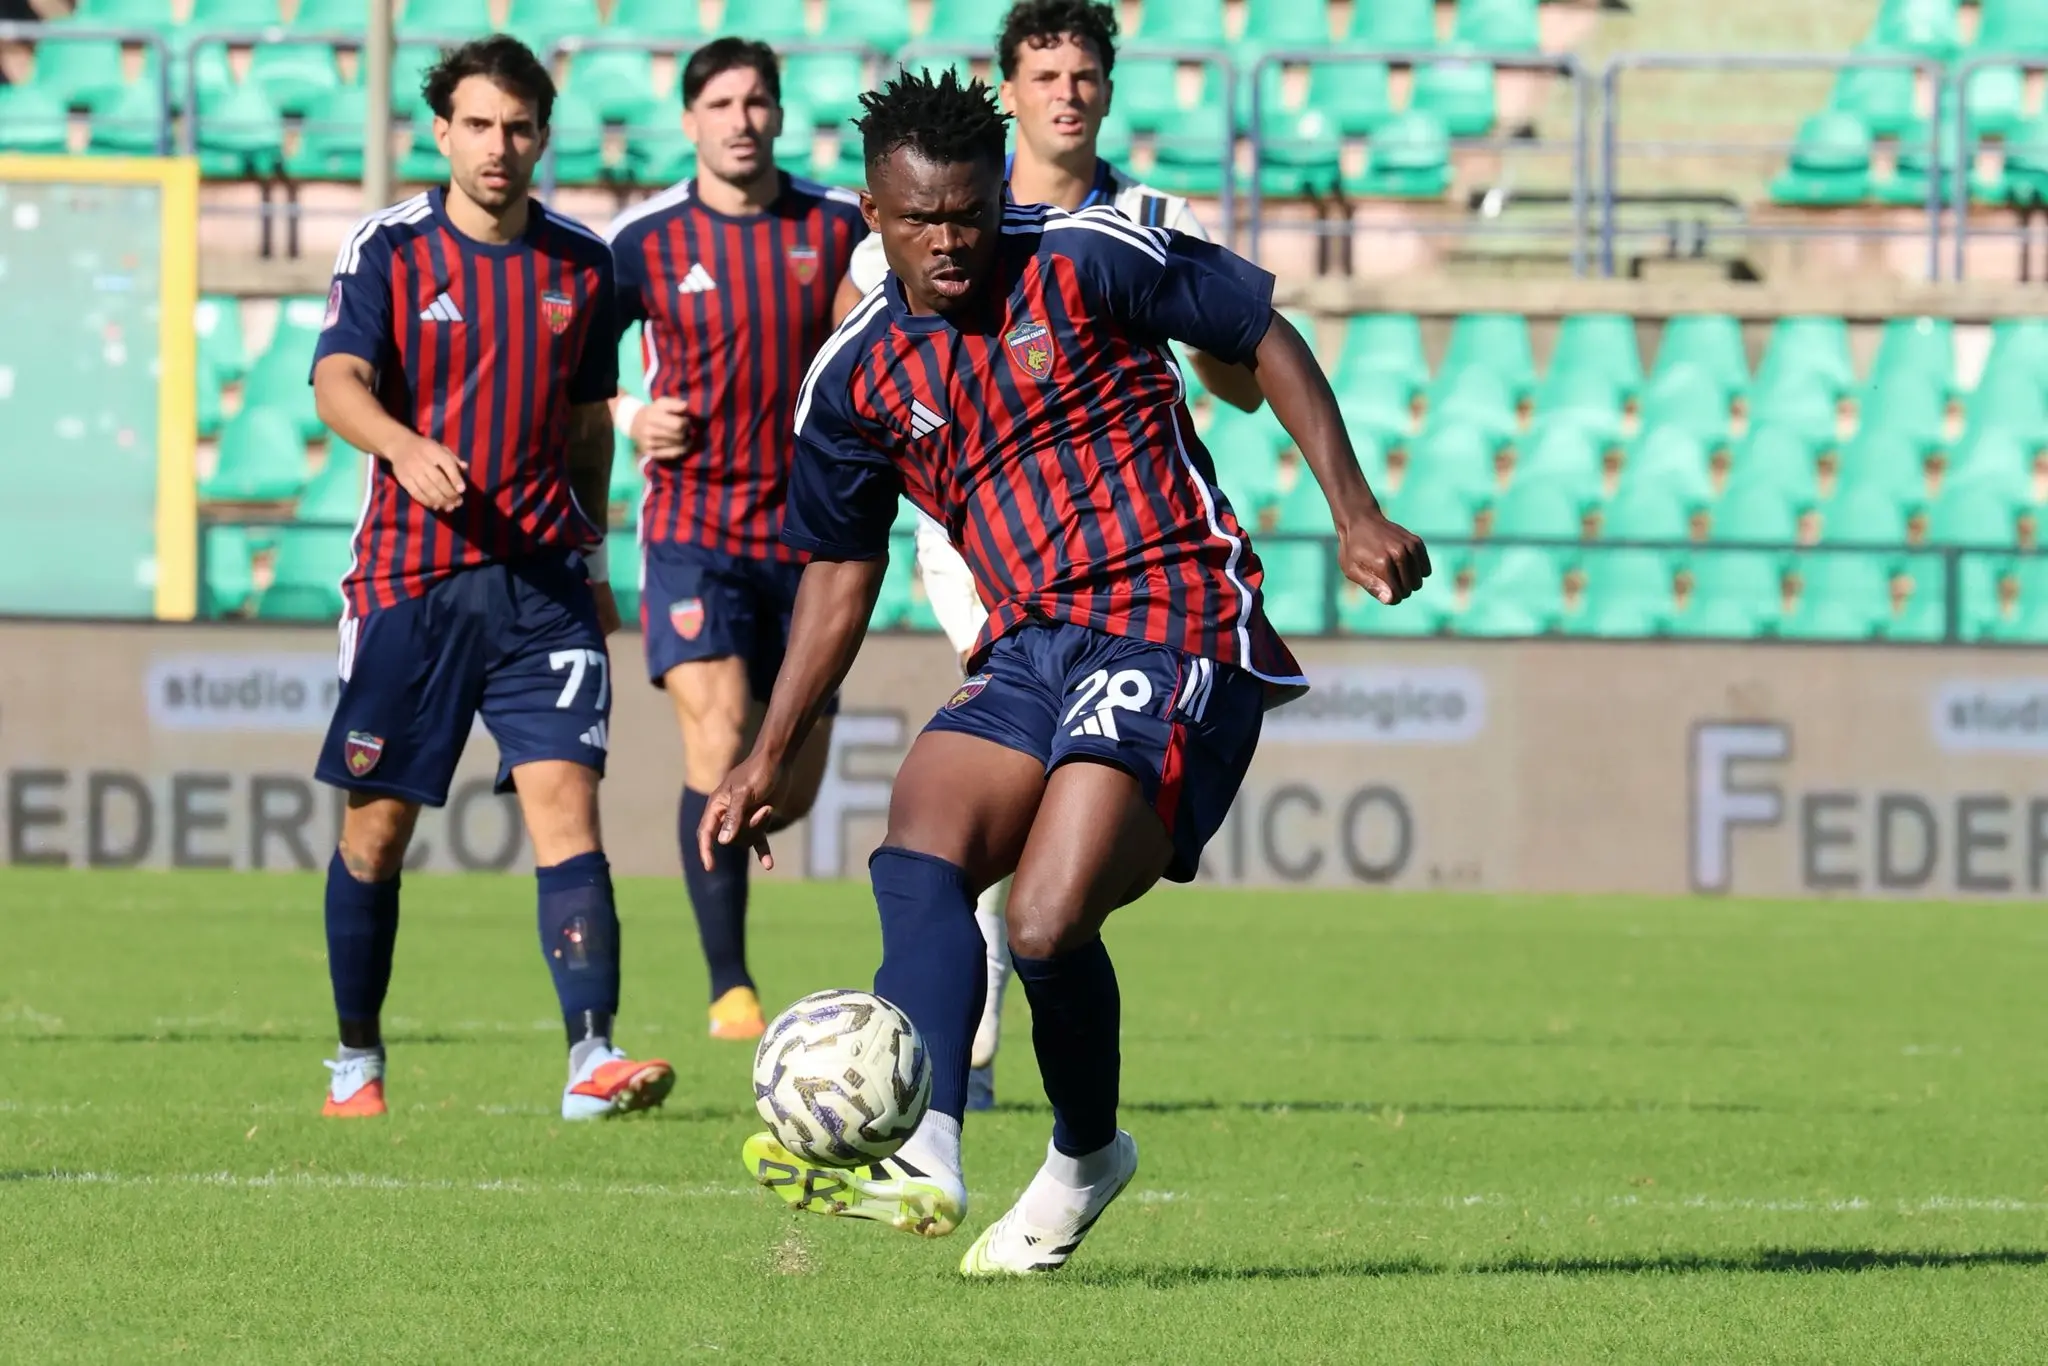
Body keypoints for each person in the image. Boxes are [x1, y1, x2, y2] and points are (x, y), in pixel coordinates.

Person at [701, 72, 1428, 1274]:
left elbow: (1261, 335)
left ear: (996, 194)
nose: (949, 241)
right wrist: (769, 752)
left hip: (1175, 618)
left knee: (1042, 923)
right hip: (1026, 642)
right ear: (873, 217)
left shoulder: (1089, 258)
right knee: (917, 852)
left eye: (970, 213)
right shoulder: (851, 381)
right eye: (920, 218)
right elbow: (840, 574)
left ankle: (1085, 1153)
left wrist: (1351, 512)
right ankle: (925, 1145)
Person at [830, 1, 1267, 1111]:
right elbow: (870, 374)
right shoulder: (914, 230)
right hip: (975, 548)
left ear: (1107, 91)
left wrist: (1202, 338)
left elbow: (1241, 367)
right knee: (967, 806)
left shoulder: (1143, 222)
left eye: (1084, 73)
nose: (1065, 91)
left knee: (1042, 864)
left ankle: (1016, 1015)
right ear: (1009, 90)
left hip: (1129, 549)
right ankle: (946, 1072)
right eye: (1044, 72)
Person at [310, 36, 673, 1122]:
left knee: (568, 807)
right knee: (374, 834)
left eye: (517, 128)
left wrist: (600, 562)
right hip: (411, 585)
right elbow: (336, 381)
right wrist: (400, 443)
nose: (498, 147)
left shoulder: (584, 264)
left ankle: (590, 1057)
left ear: (542, 137)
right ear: (441, 132)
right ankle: (356, 1059)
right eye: (477, 125)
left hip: (542, 587)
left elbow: (583, 433)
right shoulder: (390, 249)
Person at [606, 39, 870, 1042]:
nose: (740, 118)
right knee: (716, 738)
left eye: (756, 100)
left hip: (809, 539)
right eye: (719, 102)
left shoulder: (836, 224)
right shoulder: (643, 242)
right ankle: (730, 987)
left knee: (780, 781)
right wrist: (632, 413)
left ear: (778, 114)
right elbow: (580, 373)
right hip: (691, 530)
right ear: (689, 121)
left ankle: (732, 853)